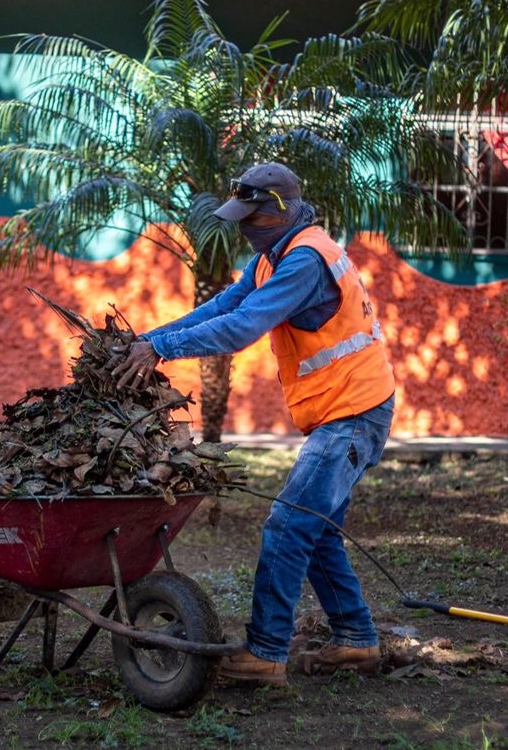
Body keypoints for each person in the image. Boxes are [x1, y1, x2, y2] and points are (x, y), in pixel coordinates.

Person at [113, 162, 395, 686]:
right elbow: (224, 305)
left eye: (251, 217)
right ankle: (357, 640)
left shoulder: (305, 261)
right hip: (344, 410)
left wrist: (160, 349)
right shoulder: (274, 255)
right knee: (318, 531)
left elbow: (243, 326)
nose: (243, 227)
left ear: (280, 211)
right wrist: (150, 340)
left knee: (289, 526)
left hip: (353, 413)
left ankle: (265, 652)